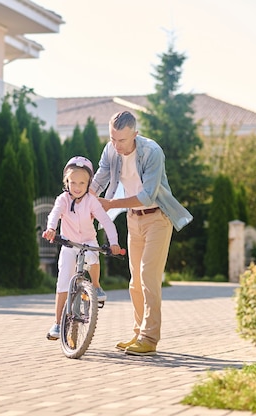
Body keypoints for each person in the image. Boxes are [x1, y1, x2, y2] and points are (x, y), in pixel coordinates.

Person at [91, 111, 193, 356]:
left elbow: (148, 195)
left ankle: (149, 338)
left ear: (135, 134)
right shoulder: (110, 150)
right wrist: (83, 200)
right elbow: (99, 179)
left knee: (148, 275)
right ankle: (138, 333)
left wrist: (110, 205)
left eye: (122, 140)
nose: (117, 146)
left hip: (157, 217)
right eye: (113, 139)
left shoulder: (152, 152)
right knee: (135, 281)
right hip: (133, 219)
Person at [42, 156, 122, 341]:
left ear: (88, 184)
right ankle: (57, 323)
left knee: (94, 256)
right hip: (69, 245)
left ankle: (96, 286)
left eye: (82, 183)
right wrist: (51, 229)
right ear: (66, 182)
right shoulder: (62, 199)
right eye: (73, 182)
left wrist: (114, 242)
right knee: (62, 283)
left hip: (88, 242)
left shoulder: (91, 201)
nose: (77, 186)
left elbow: (106, 221)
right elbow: (54, 214)